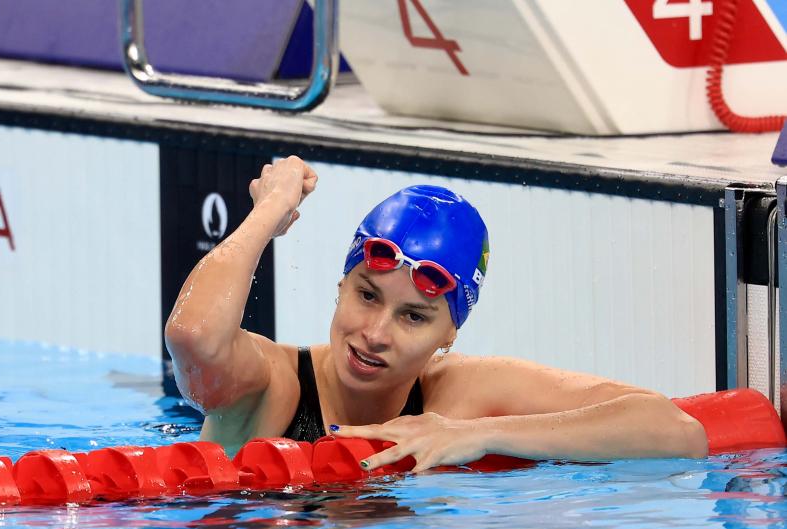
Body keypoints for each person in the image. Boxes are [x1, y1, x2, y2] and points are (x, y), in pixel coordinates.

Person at [164, 156, 708, 472]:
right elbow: (194, 337)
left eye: (415, 317)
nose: (375, 334)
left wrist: (478, 434)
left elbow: (674, 429)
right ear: (340, 285)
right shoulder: (275, 385)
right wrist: (267, 215)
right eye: (367, 295)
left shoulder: (457, 396)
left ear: (450, 333)